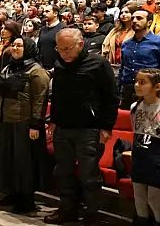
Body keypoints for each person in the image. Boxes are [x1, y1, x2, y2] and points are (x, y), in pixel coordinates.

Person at [45, 28, 119, 226]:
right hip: (63, 127)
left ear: (80, 44)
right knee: (63, 172)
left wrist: (106, 126)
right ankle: (67, 210)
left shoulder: (98, 64)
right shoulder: (60, 64)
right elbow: (57, 96)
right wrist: (53, 120)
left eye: (68, 48)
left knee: (89, 175)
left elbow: (112, 97)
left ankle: (93, 214)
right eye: (60, 49)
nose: (64, 53)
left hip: (90, 129)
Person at [0, 37, 49, 213]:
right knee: (7, 160)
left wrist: (35, 125)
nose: (15, 48)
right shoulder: (9, 67)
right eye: (14, 45)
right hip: (6, 120)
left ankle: (25, 199)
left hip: (24, 122)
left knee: (23, 163)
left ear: (29, 49)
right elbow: (0, 94)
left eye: (20, 46)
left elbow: (40, 100)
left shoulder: (37, 72)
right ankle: (10, 194)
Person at [130, 68, 160, 226]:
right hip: (140, 156)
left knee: (154, 198)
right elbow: (135, 130)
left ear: (157, 87)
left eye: (142, 82)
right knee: (139, 196)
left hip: (158, 159)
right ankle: (142, 220)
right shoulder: (135, 107)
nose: (137, 85)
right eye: (136, 81)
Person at [118, 10, 160, 109]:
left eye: (139, 18)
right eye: (133, 18)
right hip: (127, 92)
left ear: (149, 22)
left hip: (150, 91)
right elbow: (122, 68)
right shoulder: (126, 44)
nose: (135, 21)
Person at [102, 3, 136, 70]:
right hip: (113, 64)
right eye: (122, 13)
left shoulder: (137, 30)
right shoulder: (115, 30)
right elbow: (105, 44)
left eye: (127, 12)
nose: (123, 15)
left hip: (129, 65)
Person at [38, 5, 65, 70]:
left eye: (47, 11)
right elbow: (39, 47)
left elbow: (65, 51)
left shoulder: (63, 29)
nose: (44, 13)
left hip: (56, 69)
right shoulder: (43, 29)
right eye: (44, 11)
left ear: (55, 13)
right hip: (42, 67)